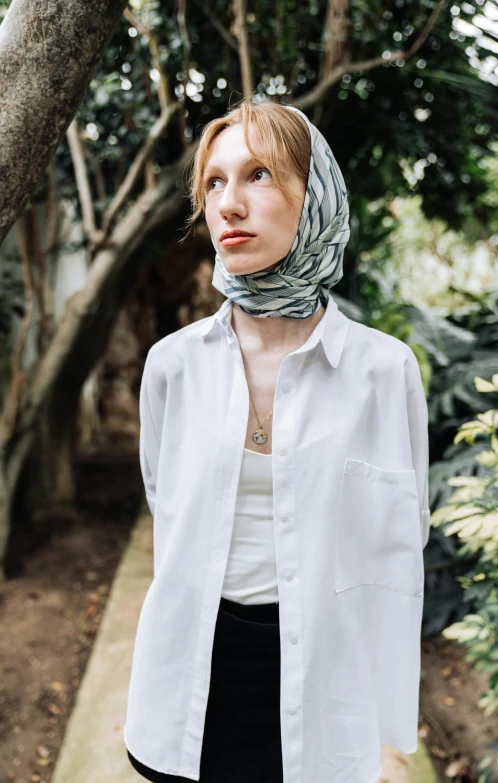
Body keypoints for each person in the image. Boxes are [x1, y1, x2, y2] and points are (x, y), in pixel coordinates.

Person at [124, 96, 431, 783]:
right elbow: (167, 513)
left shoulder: (383, 372)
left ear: (314, 194)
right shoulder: (172, 366)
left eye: (258, 175)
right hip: (187, 684)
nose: (229, 203)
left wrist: (387, 730)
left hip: (323, 690)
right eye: (214, 181)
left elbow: (398, 552)